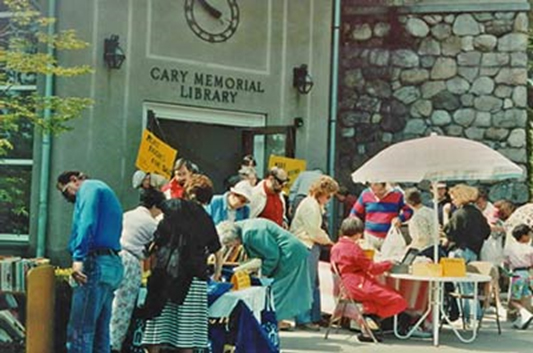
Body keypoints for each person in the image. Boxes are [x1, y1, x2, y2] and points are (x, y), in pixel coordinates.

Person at [142, 175, 223, 353]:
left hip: (165, 274)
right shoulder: (205, 218)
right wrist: (216, 274)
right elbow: (217, 250)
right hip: (193, 279)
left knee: (157, 326)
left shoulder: (174, 206)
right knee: (187, 334)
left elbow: (156, 240)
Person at [56, 171, 124, 353]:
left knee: (80, 331)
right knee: (101, 332)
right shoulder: (105, 191)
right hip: (112, 263)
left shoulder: (88, 188)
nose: (67, 198)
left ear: (74, 180)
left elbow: (87, 222)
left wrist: (78, 257)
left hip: (94, 261)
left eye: (65, 192)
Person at [217, 219, 312, 331]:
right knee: (275, 291)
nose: (232, 246)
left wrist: (264, 275)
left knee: (276, 291)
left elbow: (272, 256)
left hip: (290, 255)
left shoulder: (251, 233)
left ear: (235, 238)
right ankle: (273, 323)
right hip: (288, 253)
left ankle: (271, 325)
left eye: (230, 244)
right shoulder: (242, 228)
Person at [330, 217, 408, 340]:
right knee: (399, 300)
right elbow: (372, 268)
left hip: (346, 286)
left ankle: (369, 316)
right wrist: (389, 263)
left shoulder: (335, 247)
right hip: (360, 285)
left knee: (383, 297)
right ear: (358, 233)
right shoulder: (353, 248)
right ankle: (370, 316)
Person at [109, 188, 165, 353]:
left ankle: (105, 342)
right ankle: (114, 345)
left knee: (111, 302)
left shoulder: (127, 215)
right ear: (155, 205)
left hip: (114, 257)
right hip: (130, 261)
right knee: (123, 306)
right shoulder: (151, 224)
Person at [290, 176, 338, 331]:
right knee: (306, 283)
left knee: (314, 283)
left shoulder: (314, 204)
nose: (329, 200)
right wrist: (329, 242)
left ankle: (314, 315)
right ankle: (304, 318)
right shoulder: (311, 206)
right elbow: (314, 231)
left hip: (311, 246)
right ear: (321, 193)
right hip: (306, 245)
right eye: (328, 196)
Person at [444, 184, 491, 324]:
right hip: (474, 251)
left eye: (453, 198)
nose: (452, 201)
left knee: (461, 286)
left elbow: (449, 232)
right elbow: (487, 232)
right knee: (469, 284)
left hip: (459, 251)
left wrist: (446, 215)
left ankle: (470, 315)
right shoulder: (477, 213)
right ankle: (472, 315)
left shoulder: (459, 214)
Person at [350, 182, 413, 250]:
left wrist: (400, 218)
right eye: (371, 184)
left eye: (376, 184)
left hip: (389, 238)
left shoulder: (397, 194)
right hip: (369, 237)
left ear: (384, 185)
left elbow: (409, 211)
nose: (372, 187)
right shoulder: (366, 193)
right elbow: (354, 213)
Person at [503, 224, 533, 329]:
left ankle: (524, 314)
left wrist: (506, 273)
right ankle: (521, 319)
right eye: (528, 234)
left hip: (516, 275)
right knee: (524, 297)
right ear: (523, 236)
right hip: (527, 274)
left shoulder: (510, 248)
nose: (530, 237)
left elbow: (506, 262)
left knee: (514, 300)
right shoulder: (529, 249)